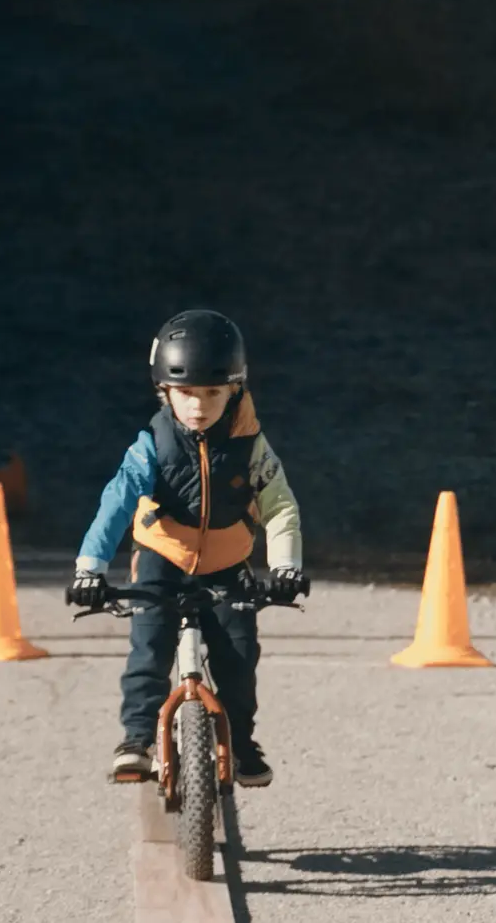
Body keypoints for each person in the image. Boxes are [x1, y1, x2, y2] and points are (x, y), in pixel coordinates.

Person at [64, 309, 308, 787]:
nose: (198, 406)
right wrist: (89, 570)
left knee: (238, 657)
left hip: (227, 561)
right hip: (163, 556)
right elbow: (116, 503)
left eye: (213, 393)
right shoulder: (151, 446)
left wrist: (285, 568)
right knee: (149, 647)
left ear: (234, 389)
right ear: (165, 392)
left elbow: (281, 507)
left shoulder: (252, 447)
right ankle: (136, 738)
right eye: (185, 393)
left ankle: (240, 742)